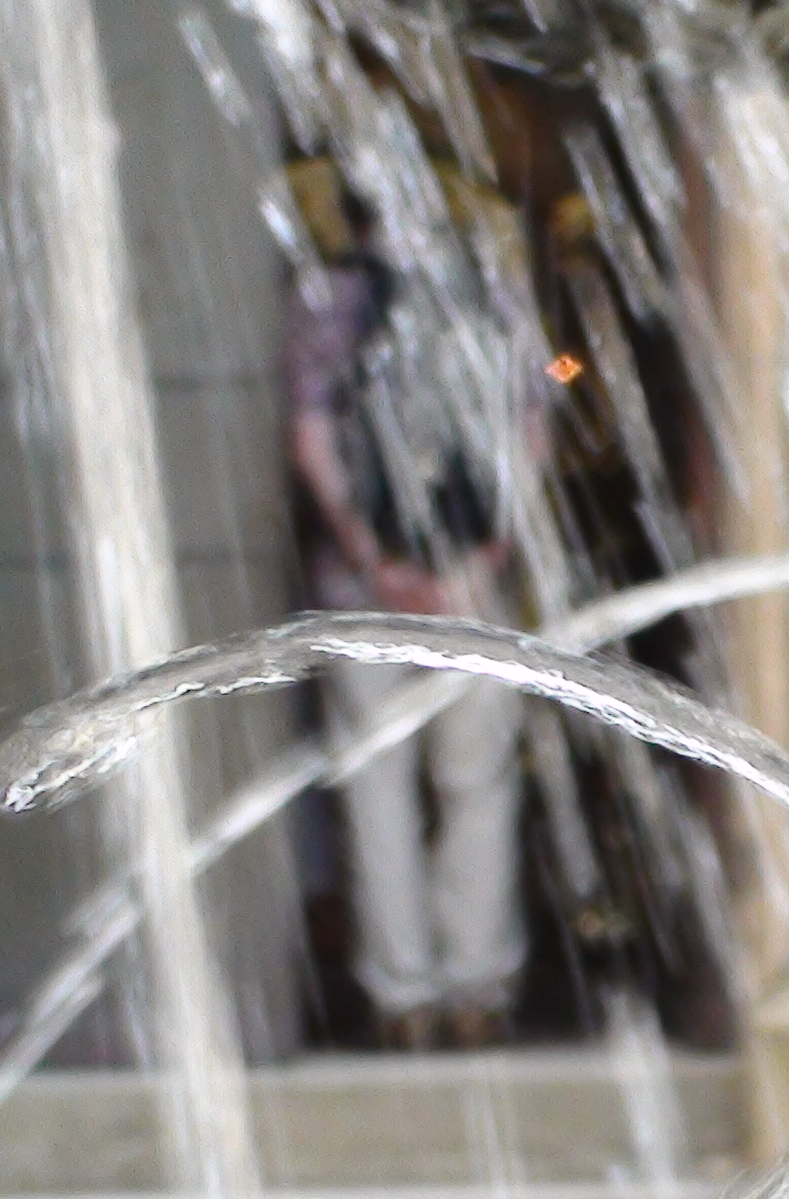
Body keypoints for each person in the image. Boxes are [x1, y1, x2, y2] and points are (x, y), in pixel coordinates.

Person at [284, 159, 526, 1050]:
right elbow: (530, 425)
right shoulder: (487, 291)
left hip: (361, 592)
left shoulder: (325, 300)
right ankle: (479, 986)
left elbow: (310, 436)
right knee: (477, 782)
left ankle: (403, 996)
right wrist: (490, 548)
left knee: (379, 785)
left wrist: (371, 557)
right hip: (471, 581)